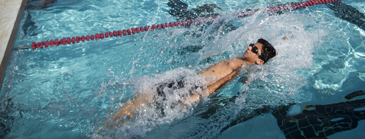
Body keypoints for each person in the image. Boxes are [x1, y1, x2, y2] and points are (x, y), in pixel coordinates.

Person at [109, 39, 277, 125]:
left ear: (260, 61)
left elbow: (223, 82)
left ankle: (107, 129)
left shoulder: (242, 67)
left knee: (144, 98)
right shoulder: (242, 59)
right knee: (146, 100)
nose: (249, 48)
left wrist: (197, 96)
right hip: (188, 83)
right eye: (251, 45)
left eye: (254, 50)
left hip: (192, 88)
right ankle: (114, 127)